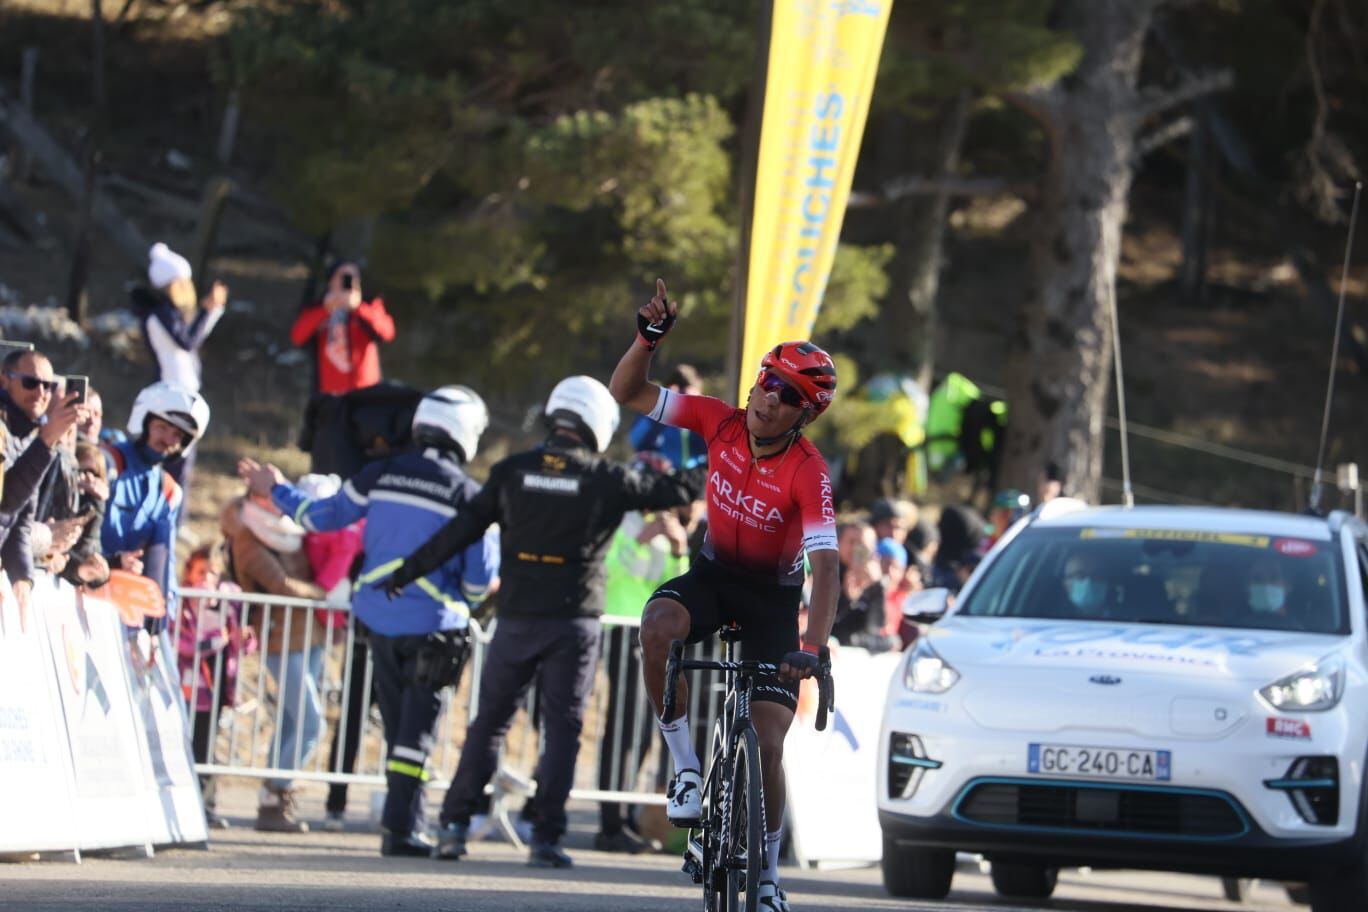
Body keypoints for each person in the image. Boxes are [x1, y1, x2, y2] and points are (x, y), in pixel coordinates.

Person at [376, 374, 699, 869]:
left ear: (554, 415)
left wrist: (407, 571)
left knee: (488, 724)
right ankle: (546, 838)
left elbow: (461, 530)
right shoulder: (606, 477)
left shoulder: (511, 471)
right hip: (573, 623)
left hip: (517, 620)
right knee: (562, 730)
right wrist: (709, 453)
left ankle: (453, 826)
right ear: (597, 424)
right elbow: (676, 488)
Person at [609, 278, 840, 912]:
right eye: (769, 379)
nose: (771, 397)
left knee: (768, 743)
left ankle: (766, 873)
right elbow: (626, 392)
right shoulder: (719, 420)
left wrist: (813, 647)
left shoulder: (809, 471)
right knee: (657, 624)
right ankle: (684, 765)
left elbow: (826, 568)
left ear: (805, 412)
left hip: (771, 600)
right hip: (712, 576)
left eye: (789, 394)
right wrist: (646, 339)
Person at [240, 386, 500, 857]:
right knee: (414, 738)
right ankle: (401, 829)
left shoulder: (379, 474)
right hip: (435, 627)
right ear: (467, 435)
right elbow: (481, 582)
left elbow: (318, 517)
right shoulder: (469, 496)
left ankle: (402, 827)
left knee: (398, 724)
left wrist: (274, 487)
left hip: (378, 622)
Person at [596, 452, 695, 854]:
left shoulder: (665, 524)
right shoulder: (618, 521)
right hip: (619, 629)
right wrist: (640, 538)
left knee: (639, 730)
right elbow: (608, 570)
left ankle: (622, 816)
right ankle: (609, 822)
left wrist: (676, 549)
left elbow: (674, 586)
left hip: (649, 634)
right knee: (621, 728)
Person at [220, 477, 325, 833]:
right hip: (280, 636)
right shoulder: (248, 537)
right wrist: (324, 594)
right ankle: (278, 789)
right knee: (311, 722)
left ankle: (272, 804)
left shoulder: (286, 530)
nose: (277, 503)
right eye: (269, 496)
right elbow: (280, 584)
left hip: (309, 633)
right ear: (254, 499)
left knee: (292, 722)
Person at [101, 381, 208, 633]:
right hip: (88, 588)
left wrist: (161, 622)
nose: (168, 439)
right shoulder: (108, 462)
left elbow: (165, 560)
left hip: (127, 607)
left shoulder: (169, 490)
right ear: (144, 422)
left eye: (178, 435)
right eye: (162, 428)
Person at [130, 242, 227, 500]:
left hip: (182, 393)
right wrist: (208, 311)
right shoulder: (161, 312)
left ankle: (174, 514)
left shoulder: (167, 314)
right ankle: (166, 511)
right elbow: (188, 341)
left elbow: (190, 340)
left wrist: (212, 312)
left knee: (181, 461)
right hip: (171, 396)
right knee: (174, 459)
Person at [0, 348, 85, 623]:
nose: (41, 393)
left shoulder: (28, 435)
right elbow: (5, 502)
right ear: (4, 380)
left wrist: (22, 577)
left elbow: (20, 519)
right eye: (30, 382)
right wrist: (46, 442)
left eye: (48, 386)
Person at [176, 544, 253, 829]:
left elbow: (240, 643)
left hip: (218, 686)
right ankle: (188, 804)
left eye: (212, 573)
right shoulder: (183, 602)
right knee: (190, 746)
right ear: (189, 573)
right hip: (190, 687)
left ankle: (206, 806)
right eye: (200, 572)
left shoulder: (227, 605)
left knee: (207, 747)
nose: (206, 579)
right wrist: (215, 639)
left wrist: (243, 638)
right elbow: (183, 645)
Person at [290, 261, 396, 395]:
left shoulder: (369, 305)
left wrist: (359, 308)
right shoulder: (318, 307)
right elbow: (297, 336)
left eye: (353, 277)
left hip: (366, 393)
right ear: (331, 281)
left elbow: (387, 332)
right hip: (332, 395)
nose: (349, 281)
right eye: (343, 276)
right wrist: (326, 309)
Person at [629, 364, 706, 471]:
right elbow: (636, 441)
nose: (683, 399)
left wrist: (700, 413)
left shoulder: (705, 416)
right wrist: (663, 410)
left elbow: (715, 448)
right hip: (661, 477)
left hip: (696, 478)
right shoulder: (654, 411)